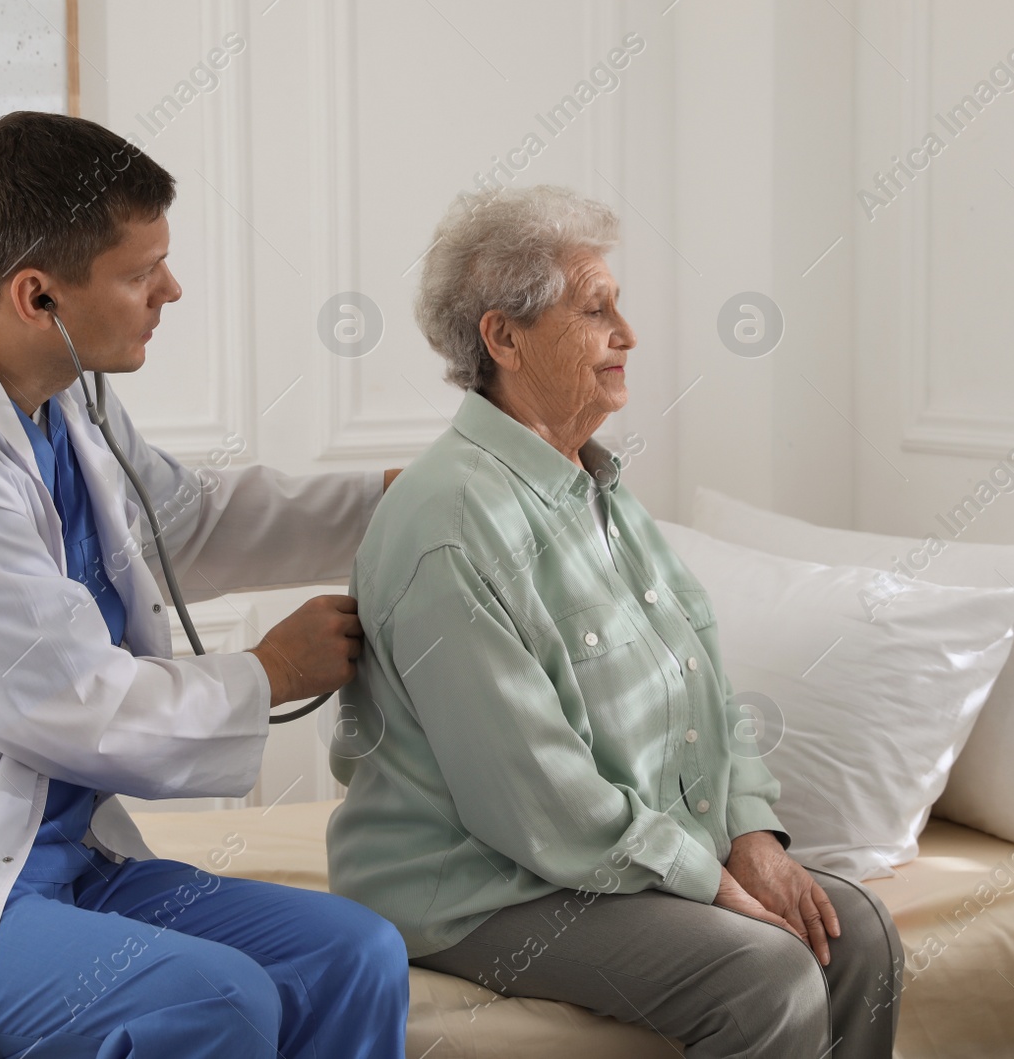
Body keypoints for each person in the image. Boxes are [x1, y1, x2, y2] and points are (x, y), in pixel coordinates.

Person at [0, 111, 408, 1059]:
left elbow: (179, 521)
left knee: (357, 955)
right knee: (209, 1002)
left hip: (51, 852)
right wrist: (267, 672)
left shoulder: (55, 386)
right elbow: (59, 701)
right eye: (142, 273)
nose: (170, 290)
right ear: (37, 295)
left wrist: (408, 498)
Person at [326, 185, 903, 1057]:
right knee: (769, 974)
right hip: (480, 888)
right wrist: (702, 877)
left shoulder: (596, 488)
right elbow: (533, 796)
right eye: (596, 310)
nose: (627, 335)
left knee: (858, 932)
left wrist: (751, 834)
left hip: (591, 864)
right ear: (504, 337)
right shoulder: (449, 521)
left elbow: (704, 690)